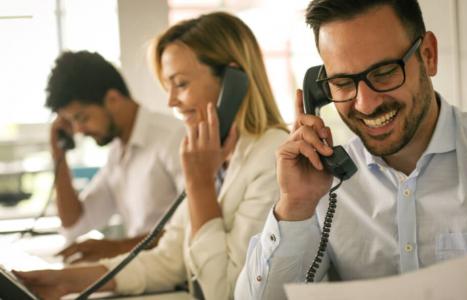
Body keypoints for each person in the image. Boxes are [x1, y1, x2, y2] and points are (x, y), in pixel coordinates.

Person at [235, 0, 467, 299]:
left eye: (384, 72)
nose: (365, 103)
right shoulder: (323, 185)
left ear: (428, 55)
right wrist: (295, 205)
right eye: (343, 82)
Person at [15, 12, 289, 300]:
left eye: (181, 84)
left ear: (234, 81)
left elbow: (225, 291)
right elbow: (169, 259)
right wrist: (66, 280)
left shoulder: (271, 157)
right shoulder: (214, 154)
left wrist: (200, 186)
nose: (171, 101)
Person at [44, 51, 185, 263]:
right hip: (143, 276)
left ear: (113, 99)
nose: (79, 130)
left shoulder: (173, 138)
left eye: (82, 117)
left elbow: (195, 229)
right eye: (71, 122)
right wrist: (58, 154)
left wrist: (117, 248)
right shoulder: (118, 153)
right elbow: (74, 225)